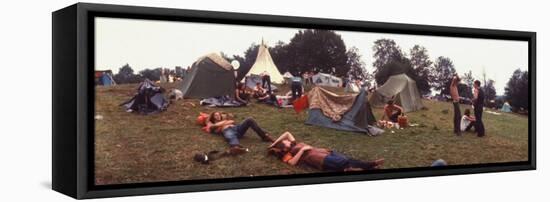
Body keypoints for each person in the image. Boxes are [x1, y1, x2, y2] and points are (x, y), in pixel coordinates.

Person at [268, 132, 384, 172]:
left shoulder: (293, 143)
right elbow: (292, 163)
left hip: (325, 152)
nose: (288, 140)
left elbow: (287, 133)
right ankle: (371, 164)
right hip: (319, 159)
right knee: (345, 161)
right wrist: (302, 150)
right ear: (285, 148)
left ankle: (367, 169)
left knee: (347, 160)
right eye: (286, 142)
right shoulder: (288, 154)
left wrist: (273, 144)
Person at [207, 111, 274, 154]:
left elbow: (232, 121)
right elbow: (211, 128)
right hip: (228, 130)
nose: (218, 116)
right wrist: (223, 123)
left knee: (249, 119)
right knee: (230, 135)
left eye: (218, 115)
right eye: (216, 115)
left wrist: (222, 123)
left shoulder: (223, 120)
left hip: (237, 128)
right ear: (213, 117)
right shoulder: (212, 123)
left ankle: (264, 136)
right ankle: (235, 147)